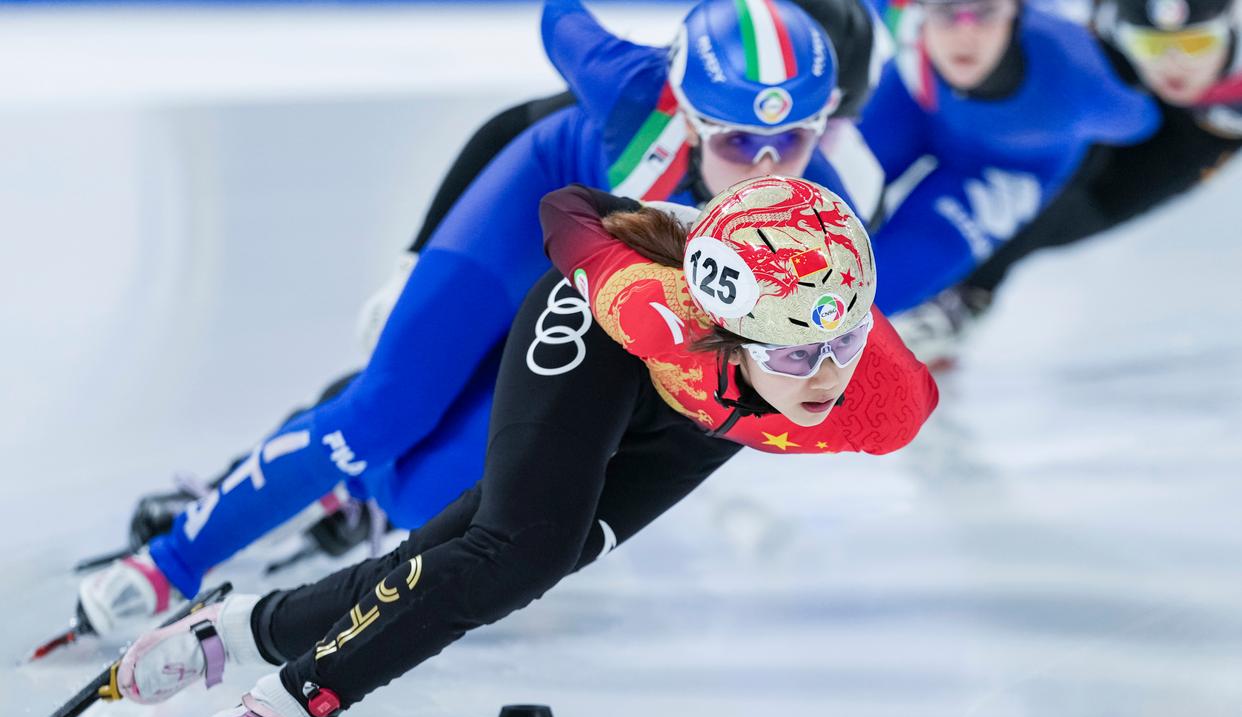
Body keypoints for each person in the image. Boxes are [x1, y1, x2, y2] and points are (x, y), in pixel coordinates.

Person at [72, 0, 891, 638]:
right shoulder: (632, 87)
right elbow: (532, 71)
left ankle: (355, 488)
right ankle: (168, 562)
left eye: (795, 137)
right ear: (686, 113)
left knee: (431, 490)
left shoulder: (824, 212)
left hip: (615, 281)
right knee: (385, 409)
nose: (768, 165)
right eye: (740, 141)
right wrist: (415, 257)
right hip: (536, 203)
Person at [107, 176, 939, 717]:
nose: (825, 370)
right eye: (795, 351)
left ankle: (242, 629)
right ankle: (290, 700)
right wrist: (680, 222)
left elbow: (827, 350)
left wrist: (796, 332)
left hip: (702, 423)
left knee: (512, 546)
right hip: (604, 348)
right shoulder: (652, 307)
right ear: (726, 327)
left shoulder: (884, 401)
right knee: (522, 548)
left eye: (844, 339)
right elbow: (566, 210)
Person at [905, 0, 1242, 366]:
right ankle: (965, 290)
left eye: (1196, 45)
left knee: (1075, 218)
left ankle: (969, 293)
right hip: (1121, 87)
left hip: (1189, 135)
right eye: (1151, 44)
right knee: (1054, 180)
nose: (1174, 62)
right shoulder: (1101, 43)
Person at [849, 0, 1159, 332]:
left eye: (985, 12)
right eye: (945, 10)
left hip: (1002, 168)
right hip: (911, 108)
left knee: (869, 298)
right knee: (803, 210)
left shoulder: (1072, 74)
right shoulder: (892, 15)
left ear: (1015, 11)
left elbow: (1141, 121)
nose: (965, 32)